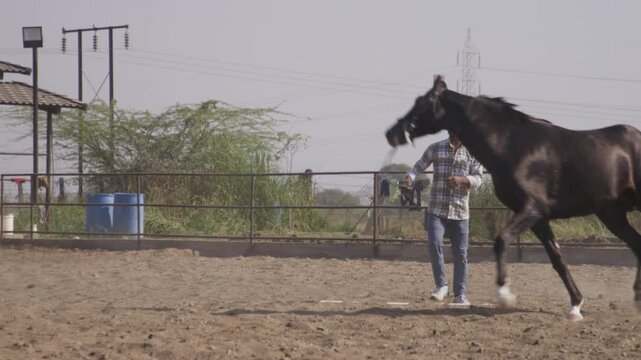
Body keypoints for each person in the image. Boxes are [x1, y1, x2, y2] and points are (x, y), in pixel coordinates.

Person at [405, 131, 483, 306]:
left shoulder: (473, 152)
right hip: (436, 209)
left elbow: (479, 178)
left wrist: (462, 180)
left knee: (461, 254)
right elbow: (418, 166)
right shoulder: (436, 147)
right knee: (434, 244)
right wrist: (410, 177)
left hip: (460, 212)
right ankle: (441, 285)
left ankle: (460, 294)